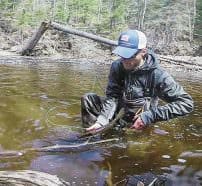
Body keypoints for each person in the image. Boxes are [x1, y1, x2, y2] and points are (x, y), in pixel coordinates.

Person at [81, 30, 194, 133]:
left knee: (135, 152)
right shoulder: (117, 66)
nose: (124, 60)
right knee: (88, 99)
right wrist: (102, 121)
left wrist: (150, 116)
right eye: (122, 55)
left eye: (129, 55)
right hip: (120, 109)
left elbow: (186, 103)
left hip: (140, 117)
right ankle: (93, 132)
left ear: (143, 52)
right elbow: (113, 97)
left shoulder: (158, 74)